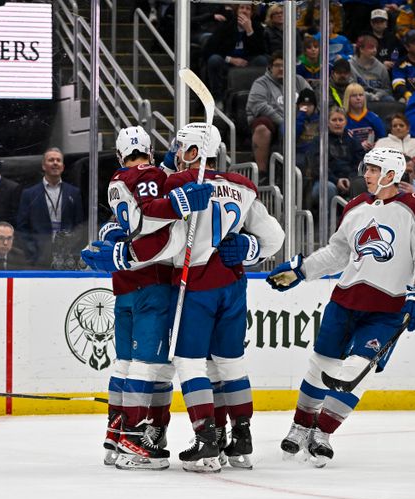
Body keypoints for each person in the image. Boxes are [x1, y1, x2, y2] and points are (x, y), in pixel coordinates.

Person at [88, 123, 284, 472]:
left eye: (181, 148)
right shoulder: (243, 186)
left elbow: (169, 241)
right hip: (235, 285)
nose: (175, 154)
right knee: (228, 364)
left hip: (195, 284)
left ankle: (202, 437)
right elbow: (274, 237)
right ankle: (239, 438)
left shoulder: (178, 184)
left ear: (193, 152)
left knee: (187, 364)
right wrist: (250, 249)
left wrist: (124, 255)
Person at [267, 147, 415, 468]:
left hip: (387, 309)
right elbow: (337, 253)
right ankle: (301, 425)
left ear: (391, 174)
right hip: (345, 301)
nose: (367, 175)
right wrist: (302, 270)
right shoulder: (357, 206)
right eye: (367, 169)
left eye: (373, 170)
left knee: (358, 371)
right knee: (320, 366)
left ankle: (323, 433)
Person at [81, 126, 174, 470]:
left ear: (120, 156)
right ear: (149, 151)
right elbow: (152, 211)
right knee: (149, 364)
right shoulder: (151, 176)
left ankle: (116, 428)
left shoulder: (117, 182)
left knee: (124, 363)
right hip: (153, 282)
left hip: (124, 288)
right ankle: (134, 439)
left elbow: (123, 222)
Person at [246, 51, 311, 178]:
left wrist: (299, 119)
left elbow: (311, 99)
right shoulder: (261, 83)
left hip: (297, 122)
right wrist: (283, 122)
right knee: (261, 127)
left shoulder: (299, 81)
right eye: (277, 65)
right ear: (270, 67)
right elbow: (258, 105)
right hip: (274, 124)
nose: (281, 68)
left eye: (284, 65)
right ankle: (262, 174)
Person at [16, 147, 84, 268]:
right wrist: (33, 254)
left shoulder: (74, 193)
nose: (55, 163)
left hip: (67, 258)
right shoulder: (29, 194)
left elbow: (78, 226)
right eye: (51, 160)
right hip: (39, 258)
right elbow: (22, 228)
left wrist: (73, 252)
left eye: (58, 160)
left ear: (63, 167)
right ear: (43, 166)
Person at [202, 2, 268, 104]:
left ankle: (258, 98)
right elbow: (209, 50)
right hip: (227, 62)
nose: (244, 11)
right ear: (237, 10)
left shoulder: (257, 27)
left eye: (248, 8)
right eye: (242, 8)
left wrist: (249, 31)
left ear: (252, 12)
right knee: (214, 59)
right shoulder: (226, 25)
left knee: (262, 60)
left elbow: (261, 51)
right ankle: (217, 99)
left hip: (248, 62)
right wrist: (231, 59)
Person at [374, 113, 415, 178]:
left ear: (408, 128)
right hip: (389, 181)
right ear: (391, 129)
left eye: (401, 125)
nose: (398, 128)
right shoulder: (381, 143)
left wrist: (413, 171)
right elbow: (375, 164)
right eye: (395, 126)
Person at [342, 82, 386, 151]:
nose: (358, 98)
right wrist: (359, 145)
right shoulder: (342, 119)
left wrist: (376, 145)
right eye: (354, 95)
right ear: (348, 98)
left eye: (361, 95)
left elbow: (383, 139)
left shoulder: (373, 118)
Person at [349, 34, 393, 102]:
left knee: (390, 99)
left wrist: (378, 95)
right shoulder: (350, 65)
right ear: (361, 49)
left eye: (376, 47)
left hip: (378, 99)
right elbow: (351, 89)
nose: (375, 50)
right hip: (358, 99)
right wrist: (370, 97)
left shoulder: (381, 67)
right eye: (371, 48)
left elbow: (388, 90)